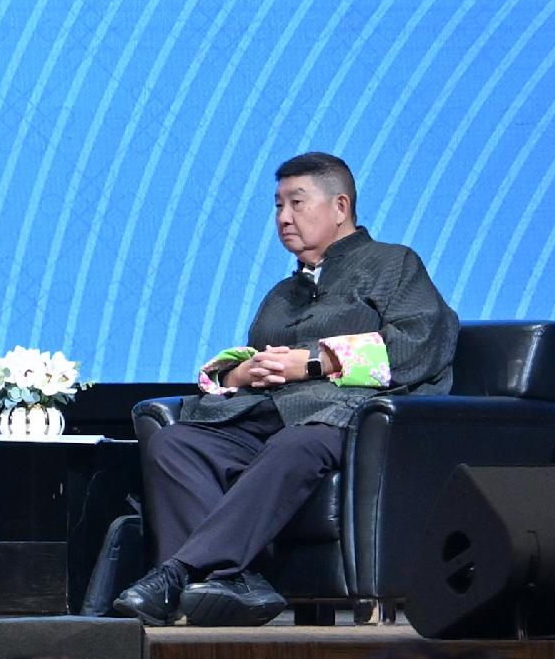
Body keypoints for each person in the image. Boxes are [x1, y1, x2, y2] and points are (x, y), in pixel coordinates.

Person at [109, 153, 458, 628]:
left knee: (298, 441)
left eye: (296, 202)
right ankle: (231, 583)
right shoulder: (283, 293)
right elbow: (256, 357)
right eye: (277, 206)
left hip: (349, 419)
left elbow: (421, 342)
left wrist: (314, 361)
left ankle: (178, 574)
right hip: (273, 413)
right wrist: (239, 376)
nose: (284, 218)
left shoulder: (393, 264)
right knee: (177, 442)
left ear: (340, 206)